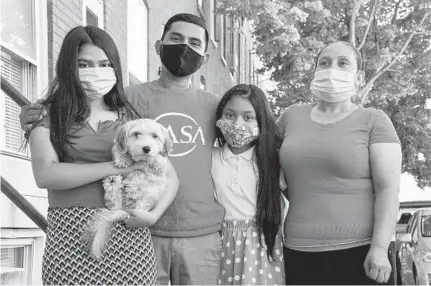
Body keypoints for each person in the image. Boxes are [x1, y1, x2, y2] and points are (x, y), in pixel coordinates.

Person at [21, 14, 225, 285]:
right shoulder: (53, 114)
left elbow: (171, 173)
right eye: (83, 64)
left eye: (104, 64)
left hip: (130, 230)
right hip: (70, 231)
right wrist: (120, 167)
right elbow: (46, 174)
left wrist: (151, 216)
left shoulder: (127, 115)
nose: (95, 71)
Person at [278, 41, 401, 285]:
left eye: (343, 63)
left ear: (359, 75)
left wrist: (379, 248)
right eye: (324, 63)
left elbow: (388, 189)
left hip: (361, 252)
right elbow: (266, 167)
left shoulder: (374, 120)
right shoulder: (290, 116)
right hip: (297, 251)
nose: (332, 69)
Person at [212, 84, 285, 285]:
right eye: (229, 115)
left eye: (248, 117)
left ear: (261, 121)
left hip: (262, 245)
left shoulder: (272, 162)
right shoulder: (210, 158)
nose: (237, 123)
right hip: (218, 244)